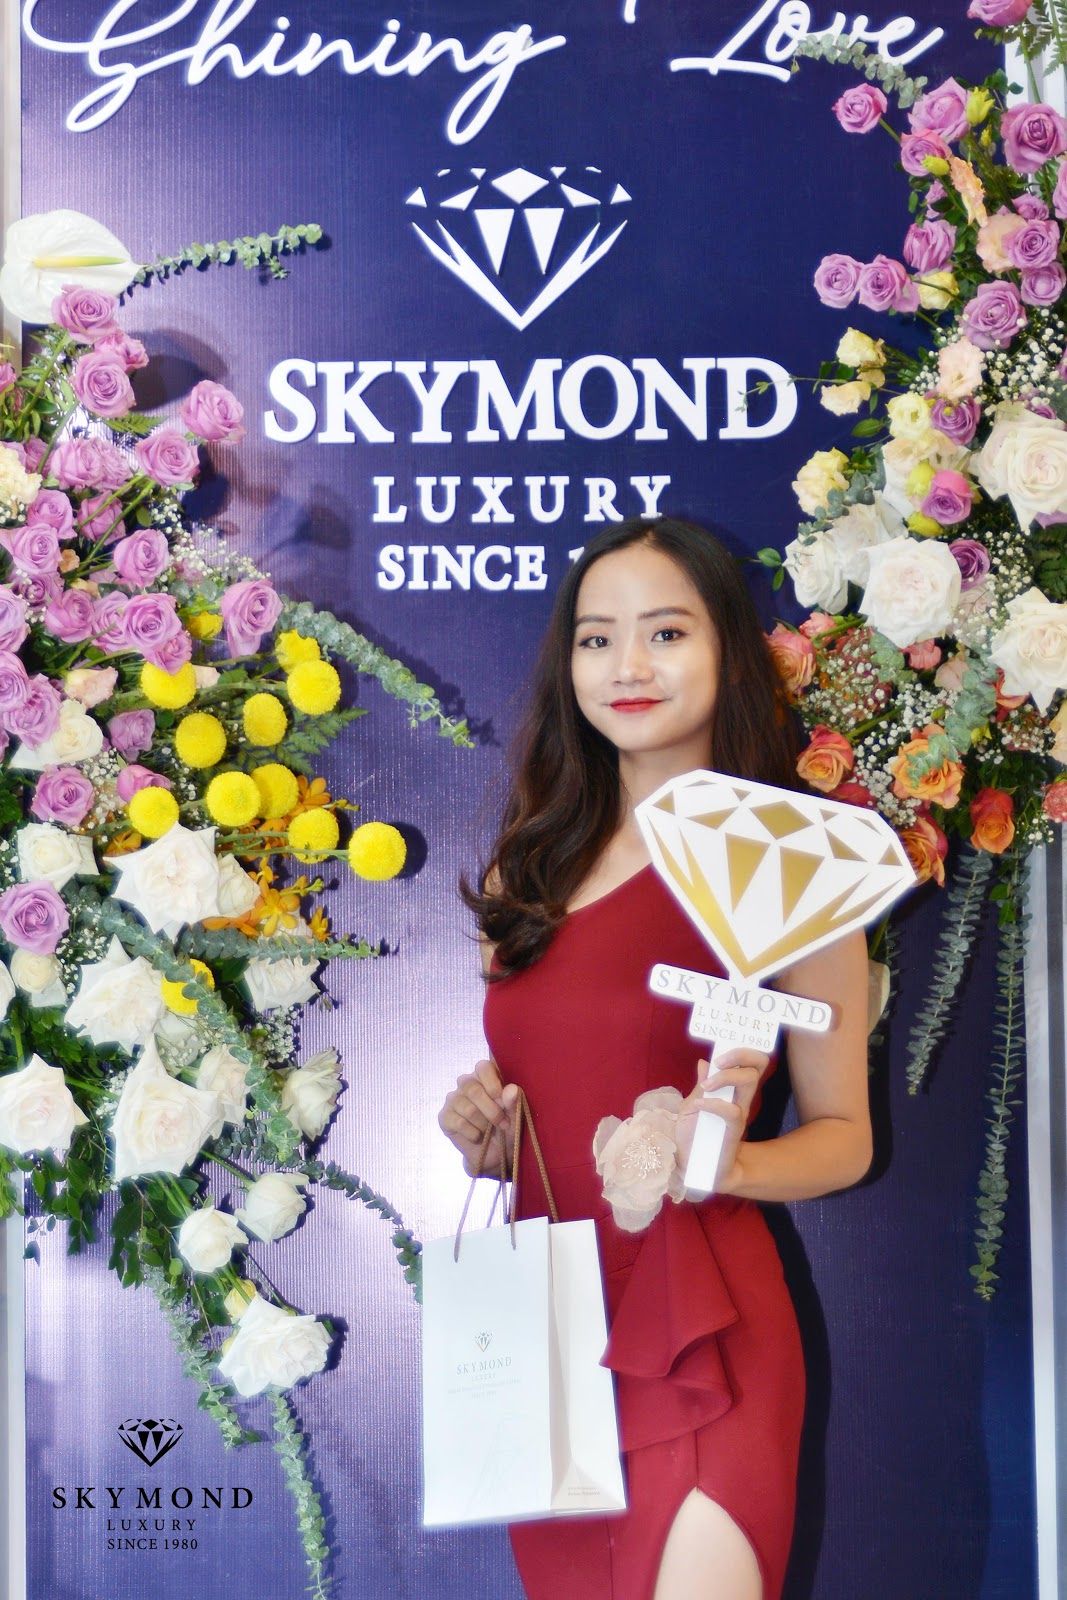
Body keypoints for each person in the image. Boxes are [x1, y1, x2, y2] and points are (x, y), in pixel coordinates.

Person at [438, 517, 871, 1600]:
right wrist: (488, 1139)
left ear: (726, 649)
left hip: (704, 1325)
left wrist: (728, 1162)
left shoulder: (792, 860)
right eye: (596, 639)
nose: (626, 666)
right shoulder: (527, 870)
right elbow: (552, 1105)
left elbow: (843, 1138)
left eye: (665, 632)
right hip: (551, 1343)